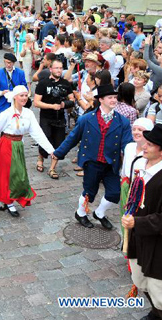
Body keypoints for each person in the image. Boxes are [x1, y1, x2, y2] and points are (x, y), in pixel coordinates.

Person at [53, 84, 133, 229]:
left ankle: (99, 213)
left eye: (115, 97)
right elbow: (73, 137)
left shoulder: (123, 122)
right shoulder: (86, 119)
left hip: (111, 163)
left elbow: (128, 145)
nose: (114, 100)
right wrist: (59, 152)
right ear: (101, 99)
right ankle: (81, 213)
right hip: (92, 161)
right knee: (90, 192)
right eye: (110, 98)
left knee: (115, 193)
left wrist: (134, 163)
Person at [0, 86, 55, 217]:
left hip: (19, 146)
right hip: (7, 144)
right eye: (21, 95)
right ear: (15, 97)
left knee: (16, 173)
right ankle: (9, 202)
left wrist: (50, 150)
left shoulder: (28, 113)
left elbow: (37, 133)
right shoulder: (6, 114)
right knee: (8, 174)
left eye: (25, 95)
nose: (24, 98)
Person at [122, 123, 162, 320]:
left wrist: (137, 223)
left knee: (159, 289)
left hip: (158, 244)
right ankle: (155, 313)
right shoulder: (141, 164)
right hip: (139, 238)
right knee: (140, 280)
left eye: (150, 144)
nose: (144, 146)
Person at [33, 59, 74, 179]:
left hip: (60, 118)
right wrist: (52, 106)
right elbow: (36, 103)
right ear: (50, 69)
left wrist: (63, 105)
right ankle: (40, 158)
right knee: (44, 139)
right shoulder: (43, 83)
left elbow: (72, 100)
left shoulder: (66, 83)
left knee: (58, 143)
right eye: (56, 68)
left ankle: (52, 168)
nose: (59, 70)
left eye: (61, 68)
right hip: (46, 117)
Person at [119, 118, 153, 234]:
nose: (136, 132)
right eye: (134, 129)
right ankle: (126, 244)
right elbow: (124, 169)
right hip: (127, 188)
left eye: (140, 130)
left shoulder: (151, 153)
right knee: (125, 217)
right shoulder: (129, 147)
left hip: (141, 192)